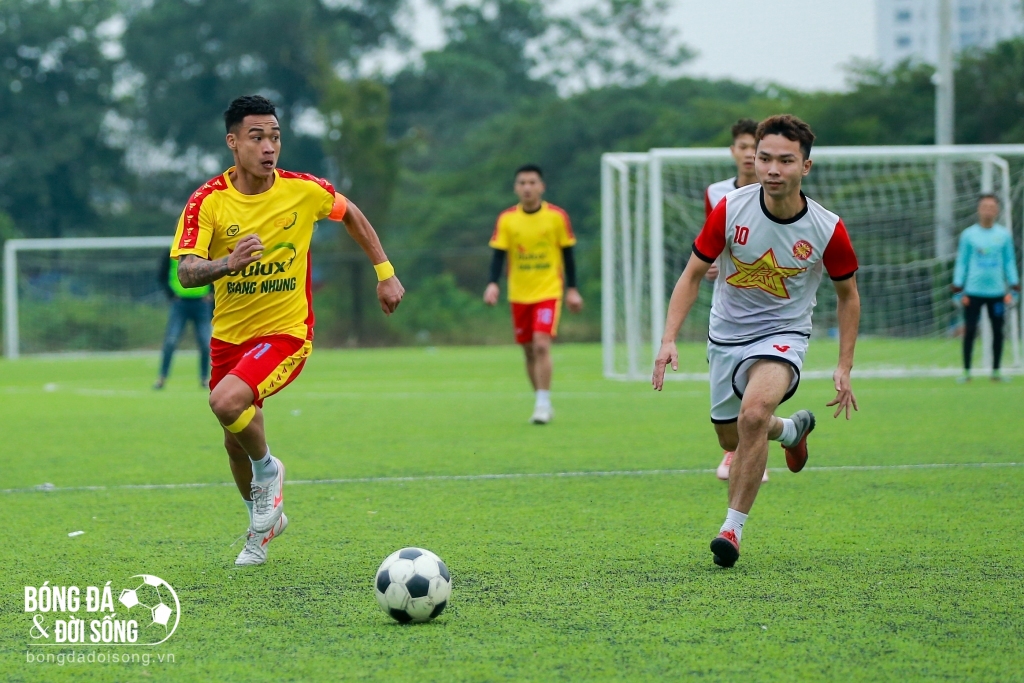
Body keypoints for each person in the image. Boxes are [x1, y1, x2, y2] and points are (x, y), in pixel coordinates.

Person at [171, 95, 405, 566]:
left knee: (225, 403)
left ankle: (269, 470)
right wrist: (228, 263)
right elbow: (186, 272)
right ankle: (261, 528)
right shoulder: (208, 201)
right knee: (233, 441)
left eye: (275, 137)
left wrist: (386, 273)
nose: (268, 147)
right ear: (233, 142)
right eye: (256, 137)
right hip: (229, 338)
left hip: (285, 334)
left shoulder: (304, 190)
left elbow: (351, 214)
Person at [652, 115, 861, 568]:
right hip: (726, 335)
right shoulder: (730, 209)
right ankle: (790, 430)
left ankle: (731, 529)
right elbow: (691, 275)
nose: (772, 169)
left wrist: (844, 365)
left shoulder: (827, 228)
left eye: (785, 160)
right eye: (765, 158)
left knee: (753, 414)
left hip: (784, 335)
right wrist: (668, 339)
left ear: (805, 166)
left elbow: (848, 295)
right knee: (731, 436)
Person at [483, 164, 583, 424]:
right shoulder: (507, 219)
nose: (527, 187)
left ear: (542, 186)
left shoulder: (556, 217)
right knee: (528, 351)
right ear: (516, 188)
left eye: (532, 182)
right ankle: (540, 398)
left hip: (548, 291)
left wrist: (572, 289)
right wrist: (492, 283)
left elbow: (568, 255)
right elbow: (498, 255)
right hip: (519, 294)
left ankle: (543, 404)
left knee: (541, 344)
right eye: (522, 183)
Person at [704, 118, 766, 482]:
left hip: (771, 305)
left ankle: (753, 457)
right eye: (743, 147)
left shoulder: (778, 193)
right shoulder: (716, 193)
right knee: (729, 393)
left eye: (755, 148)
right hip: (728, 305)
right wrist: (710, 263)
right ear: (733, 151)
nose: (748, 154)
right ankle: (738, 449)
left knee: (759, 384)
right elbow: (709, 241)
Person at [952, 194, 1020, 382]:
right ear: (978, 209)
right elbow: (962, 263)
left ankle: (996, 371)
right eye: (985, 207)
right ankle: (967, 371)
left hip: (997, 293)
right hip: (972, 292)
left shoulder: (1003, 235)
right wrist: (958, 290)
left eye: (992, 207)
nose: (988, 211)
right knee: (970, 331)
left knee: (998, 331)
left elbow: (1009, 262)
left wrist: (1014, 288)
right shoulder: (968, 235)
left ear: (997, 211)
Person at [154, 255, 213, 390]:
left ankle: (205, 378)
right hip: (180, 304)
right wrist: (171, 294)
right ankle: (162, 378)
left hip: (201, 303)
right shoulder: (171, 252)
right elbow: (162, 275)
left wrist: (211, 293)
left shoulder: (206, 250)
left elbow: (215, 271)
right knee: (171, 341)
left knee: (206, 343)